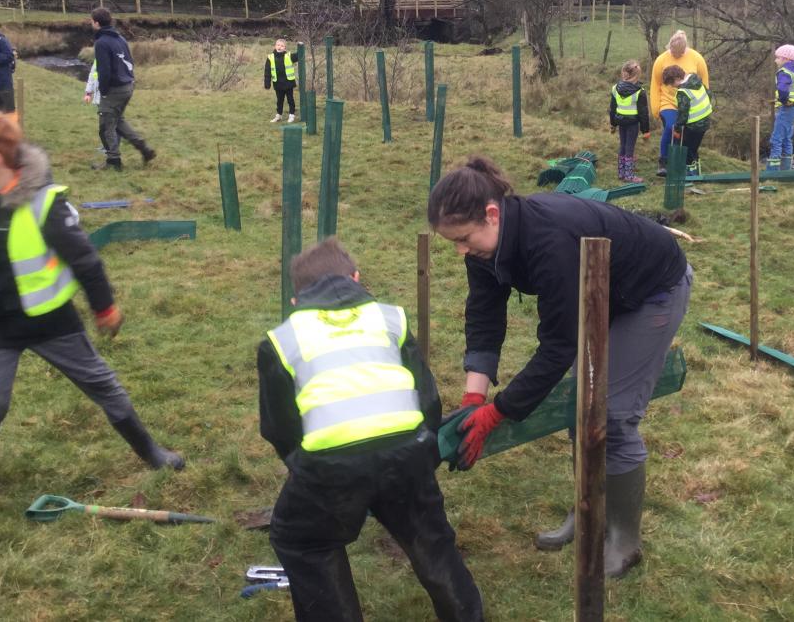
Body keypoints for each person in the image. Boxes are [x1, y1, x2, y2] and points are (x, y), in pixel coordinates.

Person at [0, 110, 183, 507]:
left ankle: (151, 451)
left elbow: (85, 260)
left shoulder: (44, 205)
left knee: (102, 384)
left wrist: (105, 309)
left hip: (51, 322)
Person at [428, 157, 693, 579]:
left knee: (613, 414)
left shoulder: (547, 241)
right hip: (598, 288)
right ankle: (588, 511)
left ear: (492, 214)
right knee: (582, 405)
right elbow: (484, 316)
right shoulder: (486, 248)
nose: (461, 250)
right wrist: (472, 398)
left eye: (462, 239)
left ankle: (624, 541)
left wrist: (499, 412)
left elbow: (558, 345)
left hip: (650, 291)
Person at [259, 238, 483, 622]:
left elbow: (279, 427)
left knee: (302, 539)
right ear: (357, 278)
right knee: (431, 538)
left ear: (297, 300)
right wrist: (423, 447)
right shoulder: (390, 318)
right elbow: (426, 399)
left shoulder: (281, 340)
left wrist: (305, 468)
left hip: (330, 464)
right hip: (408, 450)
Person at [90, 8, 155, 171]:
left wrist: (103, 91)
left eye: (91, 21)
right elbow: (130, 62)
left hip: (114, 89)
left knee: (105, 126)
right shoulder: (120, 38)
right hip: (127, 86)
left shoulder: (101, 43)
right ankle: (145, 150)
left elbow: (104, 71)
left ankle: (113, 161)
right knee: (118, 121)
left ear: (97, 23)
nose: (90, 23)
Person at [649, 30, 709, 177]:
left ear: (685, 49)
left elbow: (704, 83)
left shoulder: (696, 58)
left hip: (689, 104)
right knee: (671, 127)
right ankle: (664, 161)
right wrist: (656, 108)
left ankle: (680, 162)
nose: (675, 56)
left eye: (679, 54)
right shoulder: (661, 60)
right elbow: (655, 84)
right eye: (673, 53)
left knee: (685, 133)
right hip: (668, 102)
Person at [663, 64, 714, 177]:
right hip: (705, 121)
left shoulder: (683, 92)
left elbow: (683, 114)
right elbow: (709, 95)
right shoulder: (696, 80)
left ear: (677, 79)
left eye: (672, 84)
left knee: (687, 151)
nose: (673, 87)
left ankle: (690, 175)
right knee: (694, 149)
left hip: (693, 126)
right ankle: (697, 172)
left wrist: (677, 128)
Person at [608, 60, 650, 183]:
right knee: (629, 148)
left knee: (623, 146)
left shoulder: (615, 88)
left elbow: (612, 109)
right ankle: (629, 175)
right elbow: (643, 114)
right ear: (637, 76)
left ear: (624, 73)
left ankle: (621, 173)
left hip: (620, 122)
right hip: (632, 124)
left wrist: (613, 124)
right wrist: (646, 130)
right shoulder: (640, 92)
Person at [768, 44, 794, 171]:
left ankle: (772, 171)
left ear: (785, 59)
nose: (775, 60)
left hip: (786, 108)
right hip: (793, 108)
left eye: (777, 57)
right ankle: (786, 169)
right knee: (787, 138)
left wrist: (783, 100)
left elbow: (783, 89)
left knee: (776, 139)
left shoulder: (784, 72)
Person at [263, 38, 299, 123]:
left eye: (282, 46)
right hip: (278, 83)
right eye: (278, 45)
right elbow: (267, 71)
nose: (280, 47)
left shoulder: (288, 56)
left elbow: (298, 55)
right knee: (279, 100)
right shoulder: (270, 57)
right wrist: (267, 83)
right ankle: (279, 115)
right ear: (275, 46)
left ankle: (291, 115)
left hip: (288, 83)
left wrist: (300, 46)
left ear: (285, 48)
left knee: (290, 99)